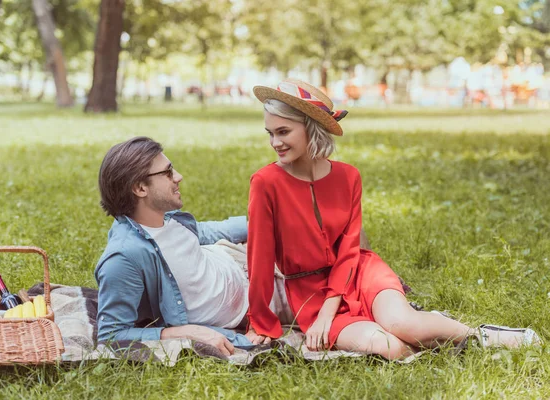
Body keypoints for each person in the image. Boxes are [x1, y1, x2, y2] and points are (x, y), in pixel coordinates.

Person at [245, 78, 541, 360]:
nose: (275, 142)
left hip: (359, 271)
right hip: (309, 296)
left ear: (310, 128)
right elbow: (258, 257)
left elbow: (350, 250)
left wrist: (329, 311)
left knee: (403, 325)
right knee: (387, 345)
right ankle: (432, 330)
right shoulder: (265, 182)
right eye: (270, 133)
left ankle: (481, 336)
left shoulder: (349, 177)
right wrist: (260, 322)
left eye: (283, 132)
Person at [94, 137, 292, 356]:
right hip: (260, 298)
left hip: (236, 256)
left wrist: (260, 226)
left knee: (313, 236)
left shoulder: (162, 217)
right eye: (168, 173)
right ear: (140, 188)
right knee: (324, 292)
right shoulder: (124, 258)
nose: (178, 177)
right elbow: (111, 335)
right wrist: (187, 332)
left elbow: (204, 232)